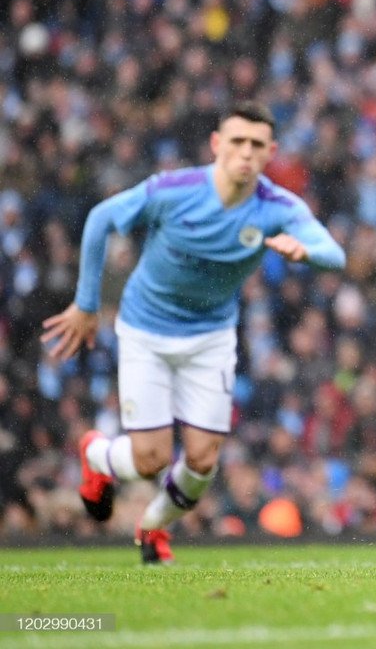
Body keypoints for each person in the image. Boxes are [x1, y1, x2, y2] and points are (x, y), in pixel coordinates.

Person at [42, 102, 346, 564]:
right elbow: (102, 218)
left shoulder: (277, 206)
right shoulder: (174, 189)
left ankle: (152, 527)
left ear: (271, 152)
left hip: (211, 338)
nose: (246, 153)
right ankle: (97, 455)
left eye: (257, 145)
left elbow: (333, 253)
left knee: (203, 461)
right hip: (147, 330)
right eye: (238, 142)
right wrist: (86, 304)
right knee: (151, 461)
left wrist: (306, 252)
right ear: (216, 144)